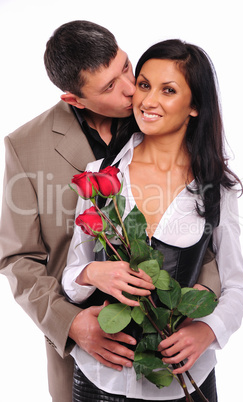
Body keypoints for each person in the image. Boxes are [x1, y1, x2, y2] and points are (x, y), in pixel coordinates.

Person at [0, 21, 219, 402]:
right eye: (110, 87)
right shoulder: (24, 146)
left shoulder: (161, 116)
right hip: (88, 357)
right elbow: (18, 257)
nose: (133, 89)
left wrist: (206, 307)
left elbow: (206, 225)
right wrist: (71, 324)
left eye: (126, 67)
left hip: (174, 348)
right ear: (75, 100)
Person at [62, 39, 243, 402]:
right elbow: (71, 279)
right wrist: (91, 274)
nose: (148, 101)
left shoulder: (215, 188)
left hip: (185, 382)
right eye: (144, 85)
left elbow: (237, 287)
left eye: (169, 90)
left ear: (195, 106)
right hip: (102, 380)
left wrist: (208, 330)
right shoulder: (100, 175)